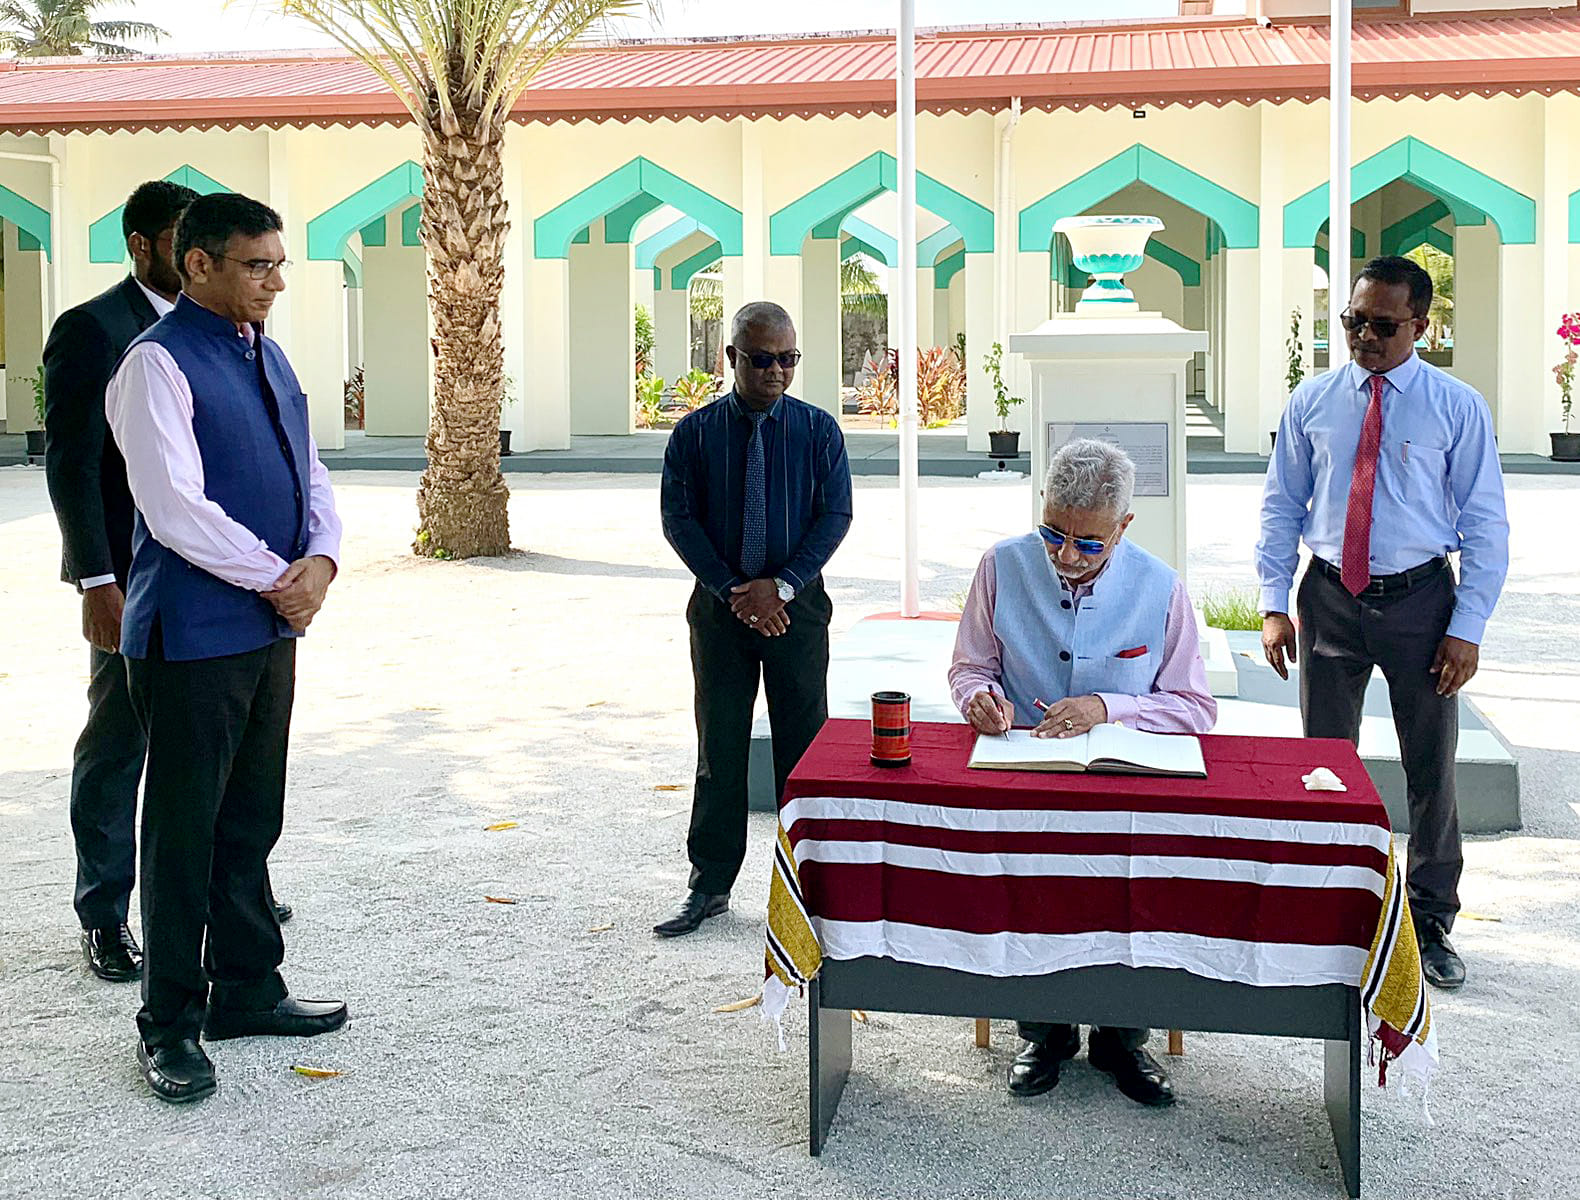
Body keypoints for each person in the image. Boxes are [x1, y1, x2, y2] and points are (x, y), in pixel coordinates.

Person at [106, 192, 346, 1103]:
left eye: (279, 263)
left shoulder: (270, 354)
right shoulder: (154, 366)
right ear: (195, 262)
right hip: (191, 637)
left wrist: (320, 560)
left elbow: (309, 469)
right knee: (182, 831)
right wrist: (277, 577)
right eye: (255, 265)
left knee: (251, 818)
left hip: (268, 625)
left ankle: (246, 989)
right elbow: (173, 509)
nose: (273, 281)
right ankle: (168, 1023)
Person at [43, 181, 294, 986]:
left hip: (238, 595)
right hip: (140, 582)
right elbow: (73, 463)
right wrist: (94, 577)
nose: (270, 280)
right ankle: (107, 912)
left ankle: (230, 910)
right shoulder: (96, 330)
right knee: (119, 746)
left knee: (227, 774)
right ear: (153, 247)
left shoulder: (247, 339)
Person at [1257, 255, 1508, 993]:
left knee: (1430, 765)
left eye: (1382, 324)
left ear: (1420, 326)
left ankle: (1429, 919)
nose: (1364, 336)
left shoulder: (1455, 407)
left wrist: (1468, 627)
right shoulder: (1313, 400)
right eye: (1353, 321)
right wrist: (1275, 602)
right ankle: (1332, 901)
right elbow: (1281, 504)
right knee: (1326, 761)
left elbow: (1485, 522)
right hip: (1329, 594)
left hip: (1421, 602)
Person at [949, 438, 1216, 1108]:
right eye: (1053, 533)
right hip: (1024, 773)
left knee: (1137, 879)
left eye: (1089, 544)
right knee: (1025, 878)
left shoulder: (1159, 587)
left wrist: (1108, 707)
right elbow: (968, 667)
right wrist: (977, 699)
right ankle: (1042, 1031)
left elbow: (1194, 706)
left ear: (1123, 527)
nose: (1067, 555)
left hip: (1125, 782)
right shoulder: (1001, 566)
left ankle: (1125, 1038)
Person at [656, 301, 853, 937]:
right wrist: (736, 590)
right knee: (720, 748)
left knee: (805, 750)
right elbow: (678, 519)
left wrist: (783, 588)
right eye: (764, 359)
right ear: (732, 358)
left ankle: (815, 888)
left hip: (799, 614)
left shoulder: (820, 431)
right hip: (720, 616)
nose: (777, 372)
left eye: (789, 359)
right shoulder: (694, 435)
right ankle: (710, 886)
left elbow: (836, 516)